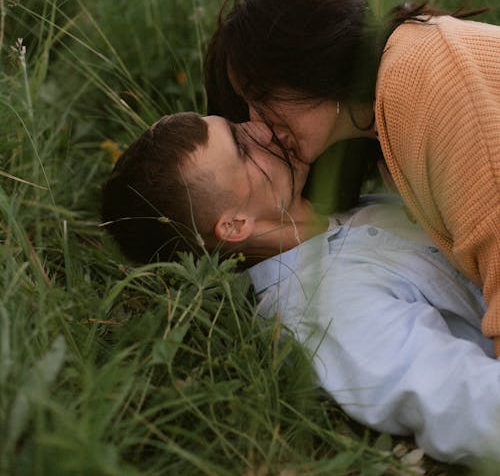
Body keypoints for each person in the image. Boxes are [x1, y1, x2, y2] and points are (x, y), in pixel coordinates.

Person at [102, 111, 500, 465]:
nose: (262, 128)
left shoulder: (346, 209)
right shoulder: (321, 309)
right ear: (235, 225)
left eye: (239, 125)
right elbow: (462, 403)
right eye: (243, 148)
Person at [203, 0, 500, 353]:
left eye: (261, 97)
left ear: (305, 63)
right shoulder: (391, 111)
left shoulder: (422, 88)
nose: (258, 125)